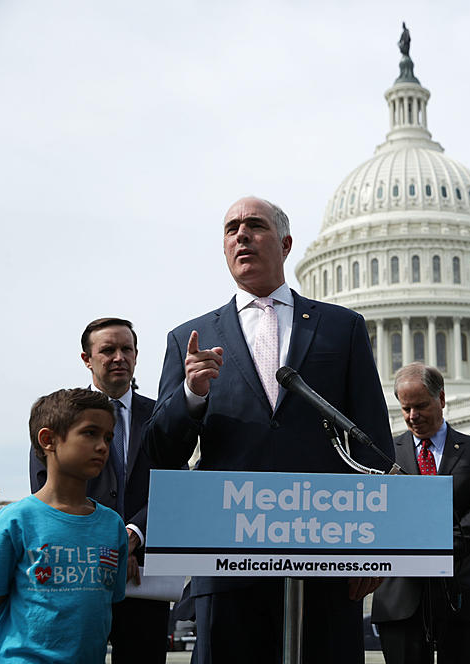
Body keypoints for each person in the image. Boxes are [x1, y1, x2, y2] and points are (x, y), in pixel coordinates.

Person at [144, 196, 394, 664]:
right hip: (226, 553)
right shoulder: (189, 338)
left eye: (254, 225)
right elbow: (162, 449)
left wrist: (374, 551)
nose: (241, 234)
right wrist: (192, 395)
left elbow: (372, 441)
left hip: (327, 551)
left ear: (285, 243)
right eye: (231, 228)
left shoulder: (341, 327)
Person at [28, 317, 168, 663]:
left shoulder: (164, 417)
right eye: (107, 350)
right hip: (78, 571)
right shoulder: (60, 418)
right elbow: (48, 489)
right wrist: (105, 545)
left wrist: (132, 536)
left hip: (145, 580)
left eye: (127, 349)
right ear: (86, 359)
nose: (119, 356)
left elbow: (177, 484)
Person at [371, 363, 470, 664]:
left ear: (441, 399)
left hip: (460, 592)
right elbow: (377, 514)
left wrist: (441, 547)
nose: (413, 416)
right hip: (400, 597)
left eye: (420, 406)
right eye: (406, 409)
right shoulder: (383, 454)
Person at [0, 389, 128, 662]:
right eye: (90, 433)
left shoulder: (112, 525)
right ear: (48, 440)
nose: (103, 446)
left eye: (108, 437)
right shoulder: (15, 521)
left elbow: (108, 603)